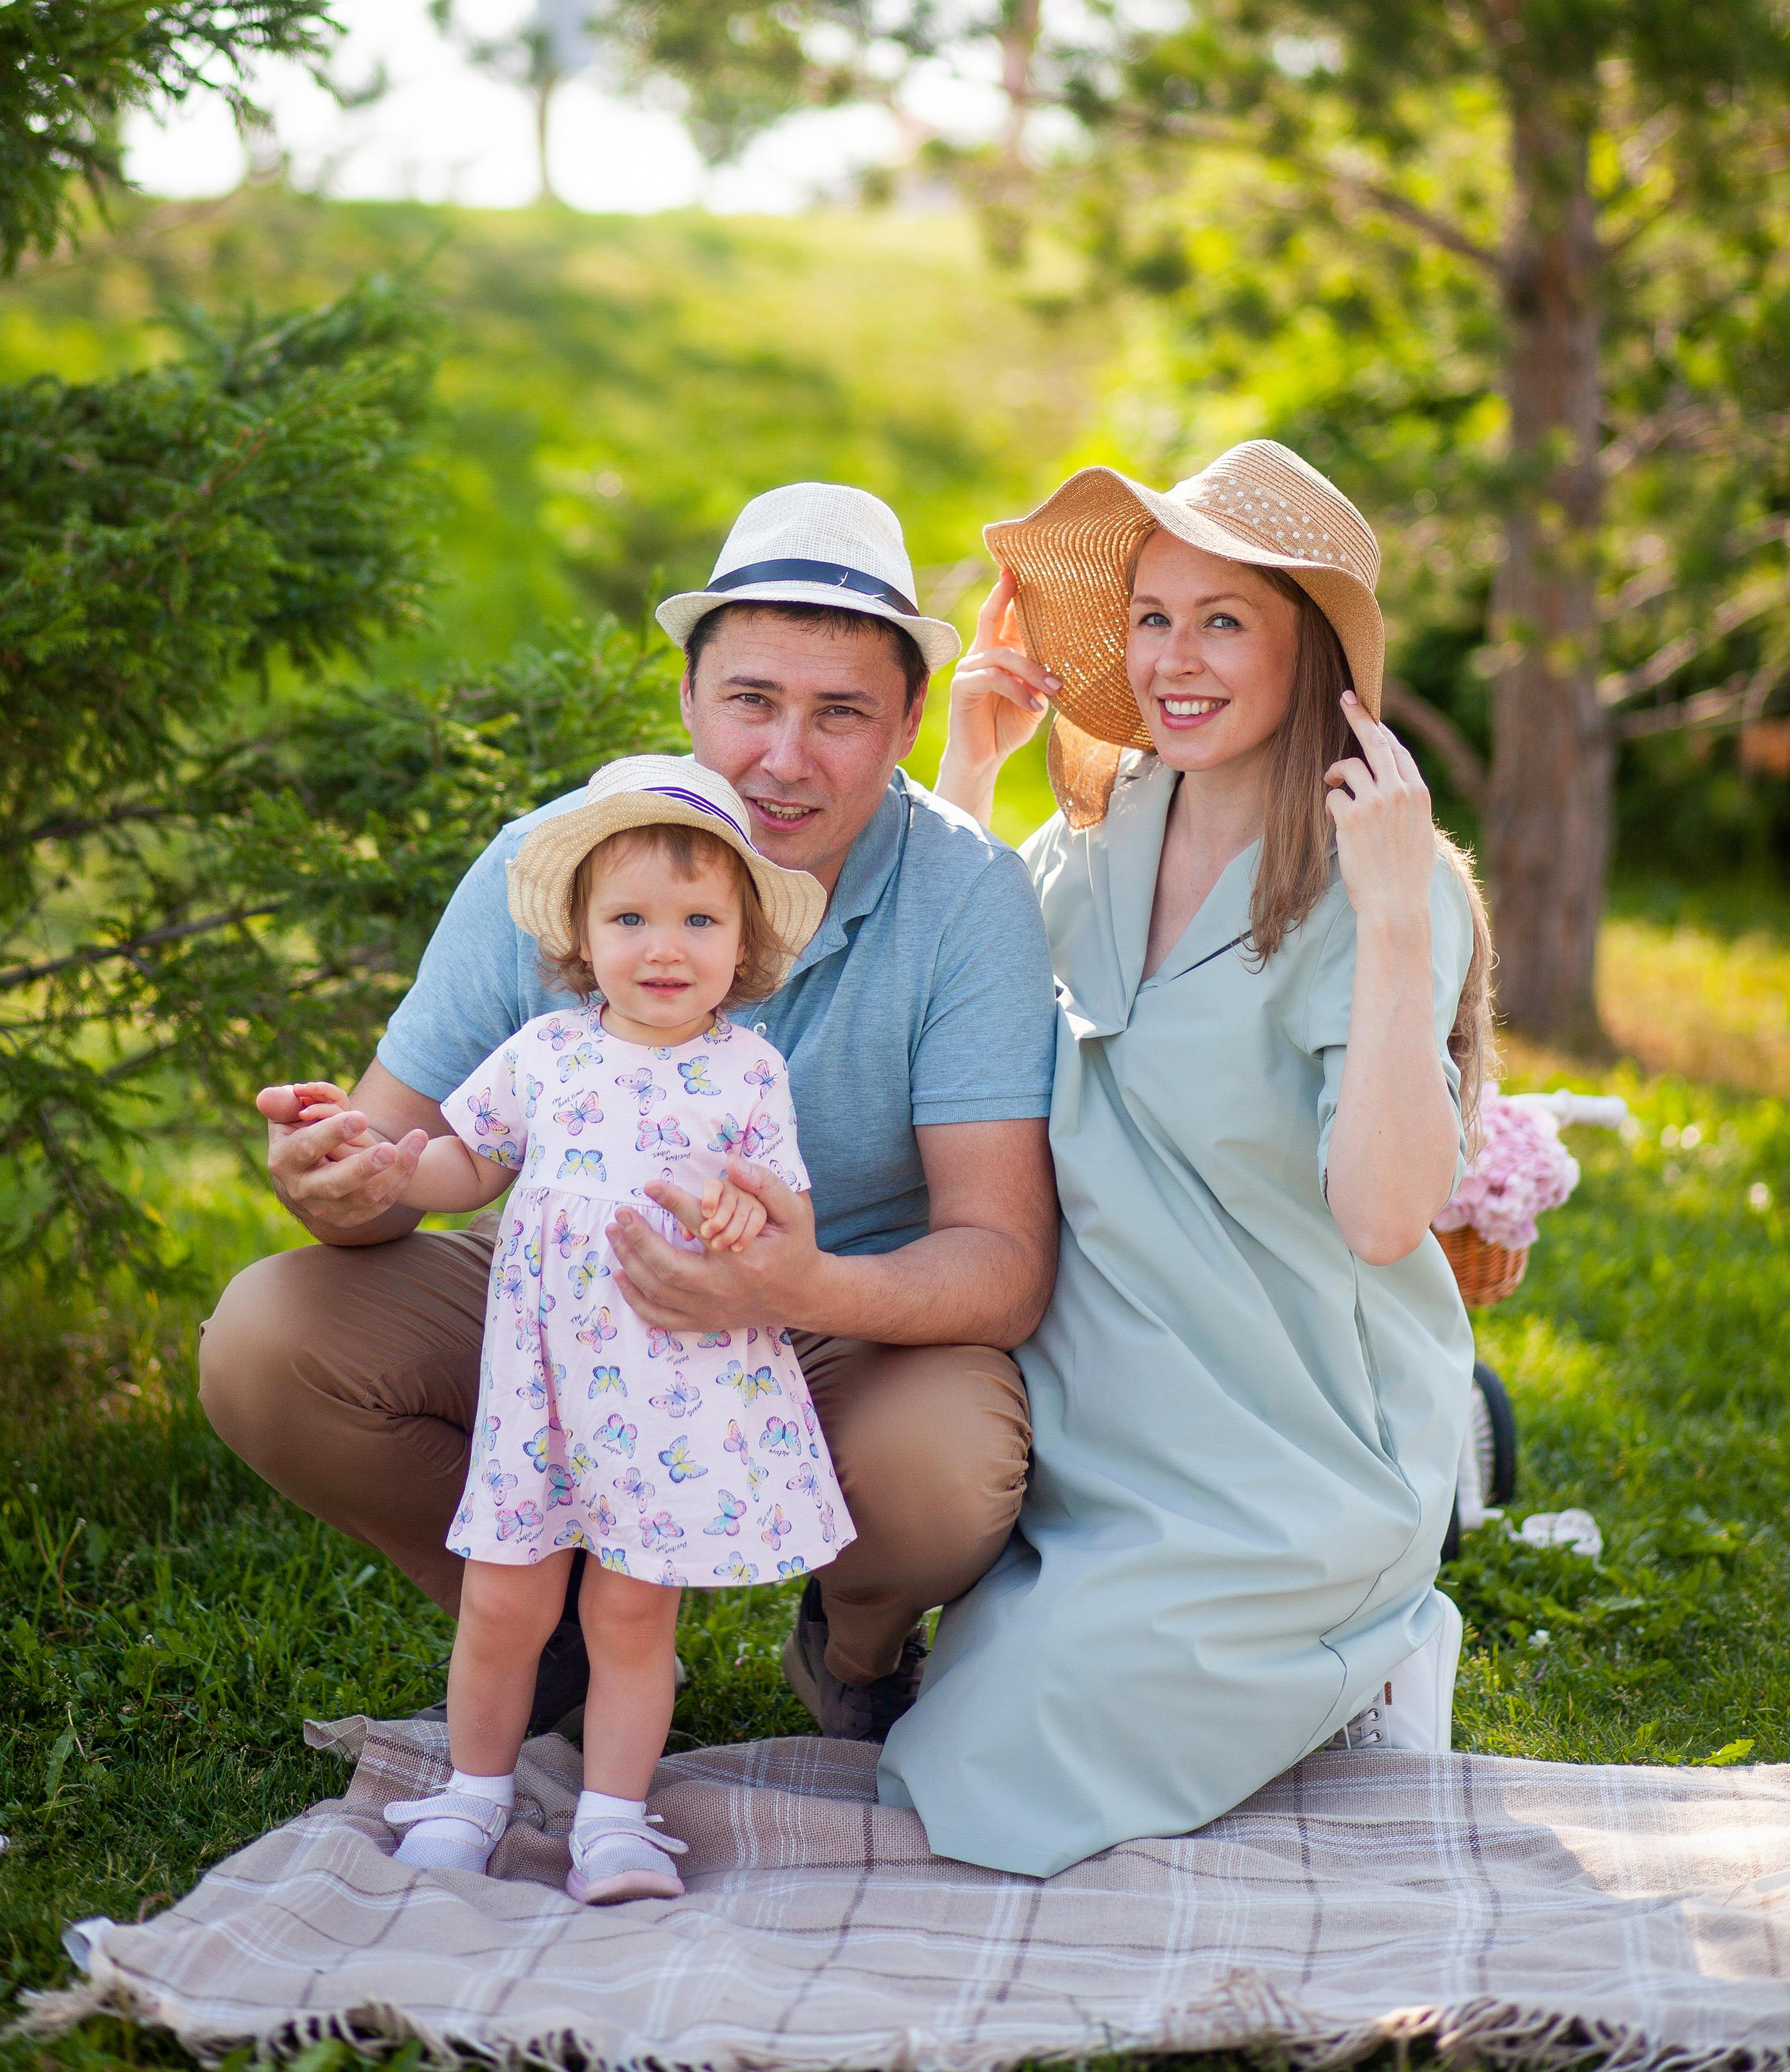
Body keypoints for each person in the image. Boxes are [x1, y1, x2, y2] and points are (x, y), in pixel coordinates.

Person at [199, 483, 1059, 1745]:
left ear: (908, 724)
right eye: (752, 702)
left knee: (940, 1479)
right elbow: (388, 1156)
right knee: (268, 1339)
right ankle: (541, 1631)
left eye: (842, 715)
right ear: (689, 700)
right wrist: (334, 1179)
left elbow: (1003, 1265)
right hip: (559, 1279)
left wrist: (785, 1288)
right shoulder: (549, 860)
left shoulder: (965, 895)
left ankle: (856, 1649)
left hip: (843, 1316)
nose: (784, 758)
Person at [876, 441, 1490, 1876]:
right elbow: (942, 1043)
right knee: (931, 1761)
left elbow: (1389, 1213)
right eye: (1150, 616)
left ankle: (1384, 1635)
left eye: (1223, 620)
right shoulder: (1084, 846)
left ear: (1311, 654)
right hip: (1100, 1436)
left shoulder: (1377, 883)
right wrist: (968, 763)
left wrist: (1399, 921)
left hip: (1295, 1447)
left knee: (994, 1787)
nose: (1173, 658)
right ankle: (1259, 1663)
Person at [316, 756, 854, 1903]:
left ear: (745, 943)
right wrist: (404, 1162)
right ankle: (473, 1793)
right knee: (507, 1594)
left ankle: (612, 1819)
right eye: (631, 918)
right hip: (540, 1386)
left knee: (628, 1606)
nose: (666, 948)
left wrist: (738, 1202)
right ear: (581, 933)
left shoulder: (747, 1072)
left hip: (666, 1393)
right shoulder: (549, 1052)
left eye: (699, 919)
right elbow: (472, 1162)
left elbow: (789, 1210)